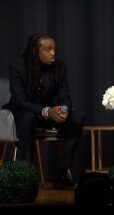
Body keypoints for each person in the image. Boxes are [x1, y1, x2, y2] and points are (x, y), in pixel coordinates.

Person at [3, 33, 85, 188]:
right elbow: (19, 101)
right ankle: (26, 177)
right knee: (28, 118)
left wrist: (64, 110)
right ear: (35, 51)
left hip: (50, 115)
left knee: (77, 117)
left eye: (54, 49)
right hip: (24, 113)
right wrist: (47, 111)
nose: (53, 53)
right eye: (48, 49)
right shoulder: (18, 67)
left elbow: (65, 96)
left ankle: (61, 174)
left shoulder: (59, 67)